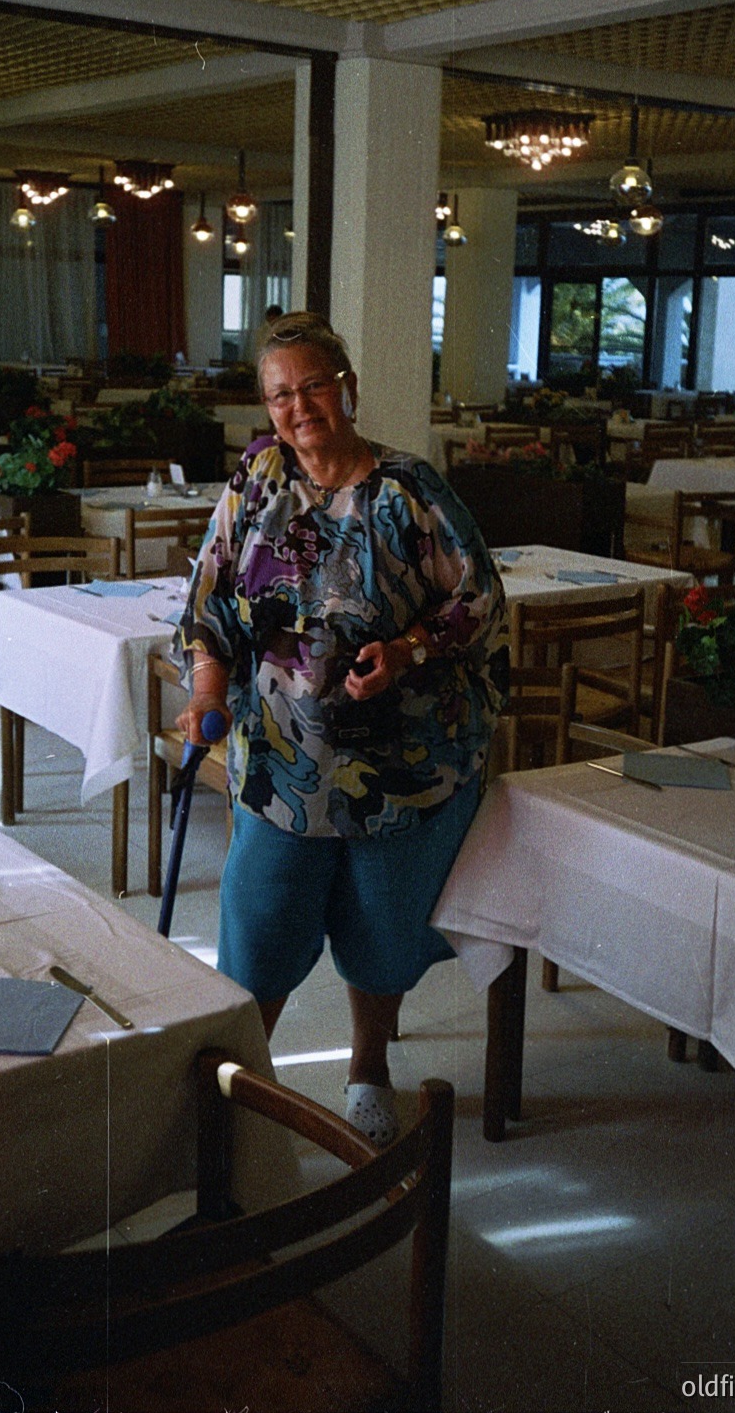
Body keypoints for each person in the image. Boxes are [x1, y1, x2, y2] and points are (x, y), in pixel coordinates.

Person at [174, 314, 507, 1144]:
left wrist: (406, 649)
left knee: (379, 934)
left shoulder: (409, 490)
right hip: (279, 765)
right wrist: (208, 686)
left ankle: (368, 1066)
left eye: (314, 385)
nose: (300, 406)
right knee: (259, 932)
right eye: (281, 393)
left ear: (347, 387)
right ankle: (244, 1097)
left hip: (396, 766)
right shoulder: (256, 481)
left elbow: (481, 602)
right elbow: (208, 601)